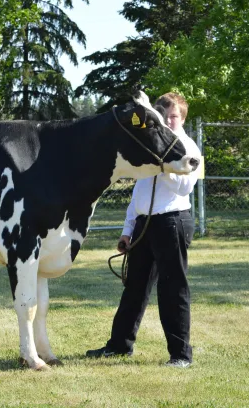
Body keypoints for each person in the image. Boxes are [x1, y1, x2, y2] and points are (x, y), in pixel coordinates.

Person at [86, 92, 200, 367]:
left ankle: (181, 354)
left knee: (173, 289)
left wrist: (168, 165)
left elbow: (185, 187)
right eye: (165, 117)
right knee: (134, 287)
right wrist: (128, 229)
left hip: (173, 221)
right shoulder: (155, 146)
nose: (170, 122)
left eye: (174, 116)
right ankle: (119, 345)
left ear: (182, 118)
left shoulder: (187, 149)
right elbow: (139, 193)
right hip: (145, 224)